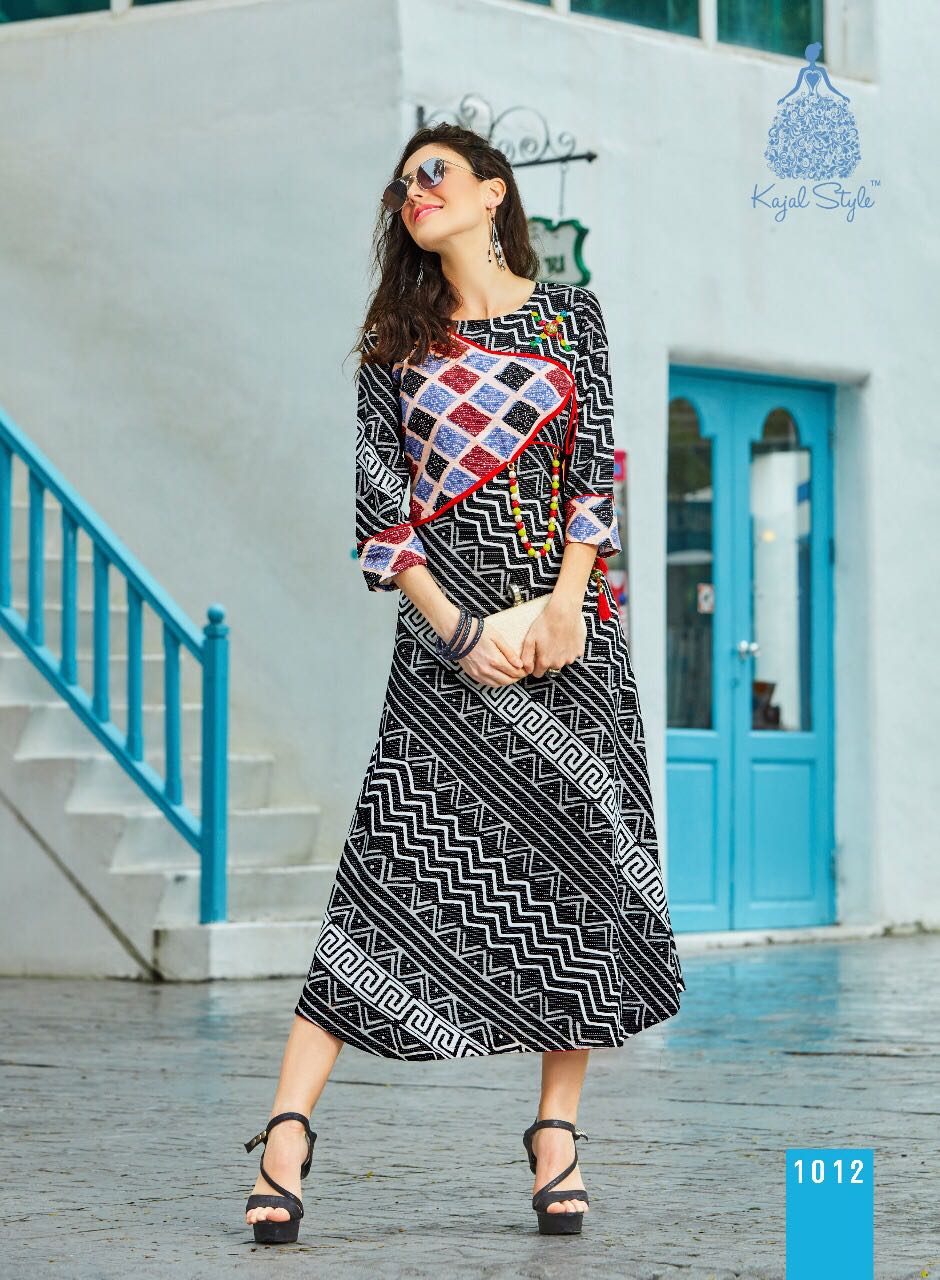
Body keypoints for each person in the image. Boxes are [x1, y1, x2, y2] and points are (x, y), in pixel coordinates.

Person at [243, 122, 685, 1244]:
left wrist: (567, 604)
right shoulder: (393, 344)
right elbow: (380, 517)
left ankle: (556, 1132)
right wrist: (457, 630)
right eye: (402, 184)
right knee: (387, 871)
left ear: (494, 193)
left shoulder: (572, 317)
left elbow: (595, 476)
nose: (414, 192)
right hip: (448, 648)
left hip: (567, 642)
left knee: (578, 876)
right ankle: (287, 1132)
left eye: (433, 173)